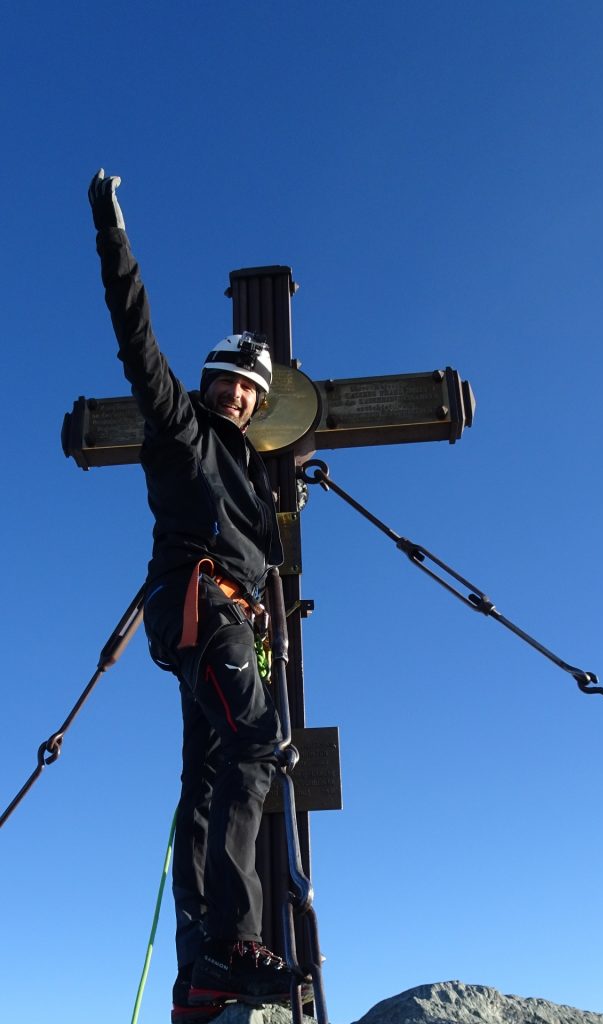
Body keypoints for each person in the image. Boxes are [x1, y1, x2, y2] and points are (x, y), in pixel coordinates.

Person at [88, 170, 291, 1022]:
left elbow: (266, 561)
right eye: (228, 381)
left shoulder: (252, 471)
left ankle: (201, 970)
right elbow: (137, 338)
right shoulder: (179, 429)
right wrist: (113, 233)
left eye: (250, 390)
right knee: (258, 736)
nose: (237, 395)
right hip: (204, 612)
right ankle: (231, 944)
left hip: (229, 619)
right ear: (207, 384)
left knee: (209, 782)